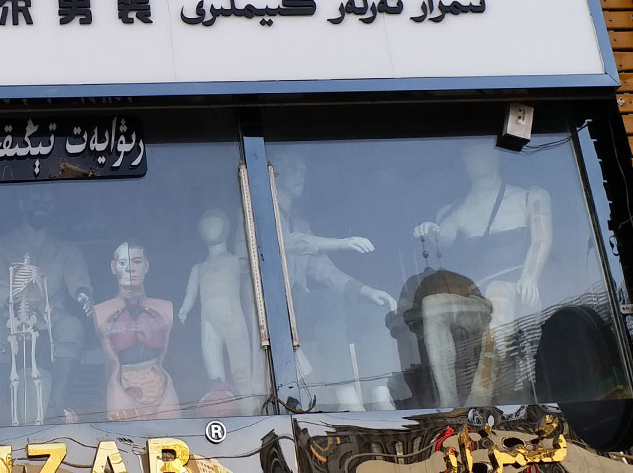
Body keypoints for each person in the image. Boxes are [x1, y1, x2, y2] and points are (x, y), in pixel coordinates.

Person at [411, 139, 552, 407]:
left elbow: (541, 240)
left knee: (499, 289)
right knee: (432, 305)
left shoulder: (530, 197)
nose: (477, 158)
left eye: (483, 151)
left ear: (497, 155)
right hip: (480, 300)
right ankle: (448, 402)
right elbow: (444, 237)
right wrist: (432, 232)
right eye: (470, 153)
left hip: (520, 294)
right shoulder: (455, 211)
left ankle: (480, 394)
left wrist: (530, 276)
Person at [272, 152, 397, 411]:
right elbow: (289, 242)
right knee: (327, 301)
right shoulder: (261, 215)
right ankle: (346, 397)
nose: (300, 176)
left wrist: (366, 291)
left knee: (371, 311)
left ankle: (380, 394)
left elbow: (323, 269)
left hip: (304, 307)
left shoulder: (301, 222)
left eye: (302, 170)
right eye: (293, 169)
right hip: (279, 312)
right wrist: (342, 243)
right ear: (276, 176)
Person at [0, 186, 93, 424]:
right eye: (34, 197)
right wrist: (16, 303)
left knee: (72, 326)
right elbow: (0, 290)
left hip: (52, 327)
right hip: (11, 324)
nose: (40, 203)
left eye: (46, 197)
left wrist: (83, 294)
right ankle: (5, 408)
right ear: (20, 202)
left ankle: (55, 407)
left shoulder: (67, 251)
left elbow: (78, 282)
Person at [178, 209, 258, 414]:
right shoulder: (198, 268)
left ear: (226, 227)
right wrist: (185, 309)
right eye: (206, 224)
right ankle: (222, 412)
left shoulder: (236, 261)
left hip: (233, 318)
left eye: (215, 223)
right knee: (216, 380)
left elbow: (255, 277)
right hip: (208, 322)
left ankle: (251, 414)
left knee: (242, 376)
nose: (210, 228)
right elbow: (190, 293)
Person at [93, 242, 179, 421]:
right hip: (122, 388)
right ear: (113, 267)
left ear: (146, 266)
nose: (130, 268)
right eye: (123, 263)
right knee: (123, 438)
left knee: (172, 435)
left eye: (137, 261)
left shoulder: (165, 308)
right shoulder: (101, 312)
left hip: (161, 386)